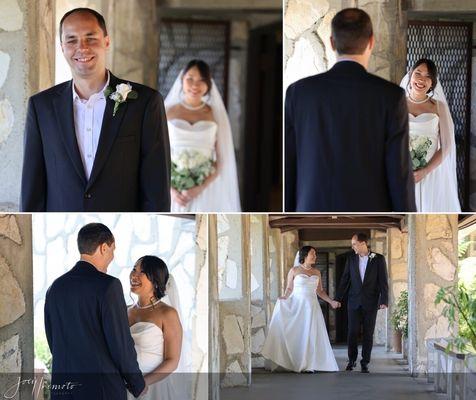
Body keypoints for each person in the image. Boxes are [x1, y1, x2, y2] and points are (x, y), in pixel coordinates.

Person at [21, 8, 170, 211]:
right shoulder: (41, 107)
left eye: (90, 38)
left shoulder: (145, 103)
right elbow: (32, 185)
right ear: (62, 47)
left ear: (106, 42)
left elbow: (156, 186)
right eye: (71, 40)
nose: (82, 47)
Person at [285, 8, 416, 212]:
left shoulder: (299, 93)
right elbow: (398, 170)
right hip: (371, 208)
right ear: (371, 42)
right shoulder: (390, 96)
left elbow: (289, 165)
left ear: (331, 42)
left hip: (311, 205)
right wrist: (405, 218)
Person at [44, 223, 147, 399]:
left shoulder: (55, 287)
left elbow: (53, 339)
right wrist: (137, 384)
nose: (113, 256)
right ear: (103, 248)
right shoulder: (108, 286)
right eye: (113, 250)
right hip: (101, 390)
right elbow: (120, 343)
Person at [165, 60, 241, 212]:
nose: (195, 85)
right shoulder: (167, 111)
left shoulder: (215, 114)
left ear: (208, 84)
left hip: (207, 188)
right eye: (190, 79)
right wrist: (171, 190)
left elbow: (222, 159)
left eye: (201, 80)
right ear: (182, 80)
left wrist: (200, 187)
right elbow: (157, 156)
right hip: (172, 190)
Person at [261, 246, 339, 372]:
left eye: (315, 254)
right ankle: (295, 361)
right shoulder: (294, 270)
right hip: (298, 306)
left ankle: (309, 365)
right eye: (312, 254)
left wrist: (331, 302)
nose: (315, 256)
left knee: (311, 335)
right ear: (304, 255)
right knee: (299, 334)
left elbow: (320, 291)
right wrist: (284, 298)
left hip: (312, 307)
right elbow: (289, 288)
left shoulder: (317, 272)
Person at [400, 59, 461, 212]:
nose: (421, 79)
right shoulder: (396, 104)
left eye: (428, 76)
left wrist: (425, 171)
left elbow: (447, 146)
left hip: (431, 171)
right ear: (410, 75)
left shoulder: (439, 107)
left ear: (433, 82)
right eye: (418, 73)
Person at [128, 255, 184, 400]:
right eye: (134, 269)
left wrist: (143, 383)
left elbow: (172, 360)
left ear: (155, 280)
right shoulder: (123, 310)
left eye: (142, 272)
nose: (134, 275)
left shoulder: (167, 314)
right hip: (125, 385)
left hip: (153, 387)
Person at [336, 233, 388, 373]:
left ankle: (365, 362)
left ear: (363, 243)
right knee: (352, 332)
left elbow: (383, 281)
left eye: (354, 244)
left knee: (368, 333)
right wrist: (337, 298)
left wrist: (384, 300)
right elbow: (345, 280)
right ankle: (351, 360)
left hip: (371, 302)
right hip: (353, 302)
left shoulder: (378, 259)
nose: (352, 247)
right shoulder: (351, 259)